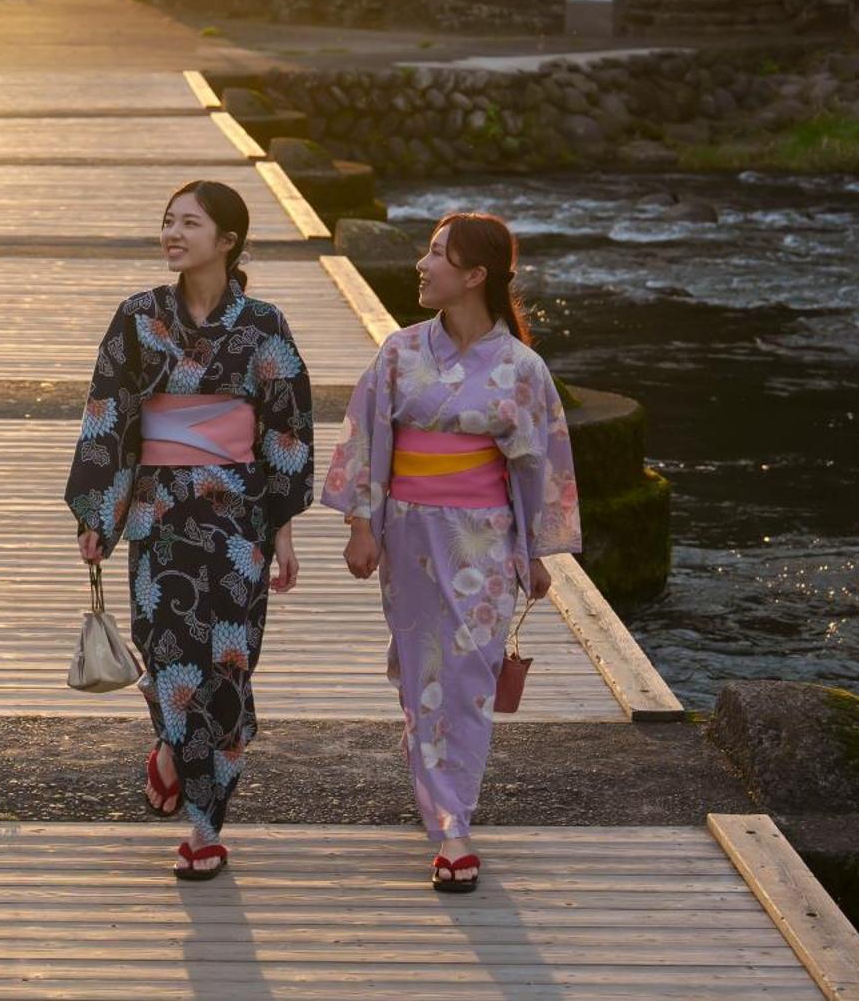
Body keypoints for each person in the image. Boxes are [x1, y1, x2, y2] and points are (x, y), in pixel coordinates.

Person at [321, 212, 580, 892]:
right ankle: (445, 810)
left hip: (484, 540)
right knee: (421, 674)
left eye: (437, 254)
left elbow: (536, 467)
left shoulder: (522, 368)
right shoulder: (400, 352)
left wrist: (536, 551)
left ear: (474, 275)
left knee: (465, 680)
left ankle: (451, 824)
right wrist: (361, 523)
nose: (422, 264)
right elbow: (366, 437)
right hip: (410, 537)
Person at [65, 179, 314, 881]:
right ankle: (196, 805)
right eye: (168, 220)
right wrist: (100, 517)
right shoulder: (138, 318)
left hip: (240, 520)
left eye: (190, 223)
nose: (173, 233)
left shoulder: (263, 324)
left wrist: (284, 529)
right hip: (158, 513)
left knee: (229, 665)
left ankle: (196, 788)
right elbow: (107, 417)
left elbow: (287, 427)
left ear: (227, 239)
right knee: (165, 650)